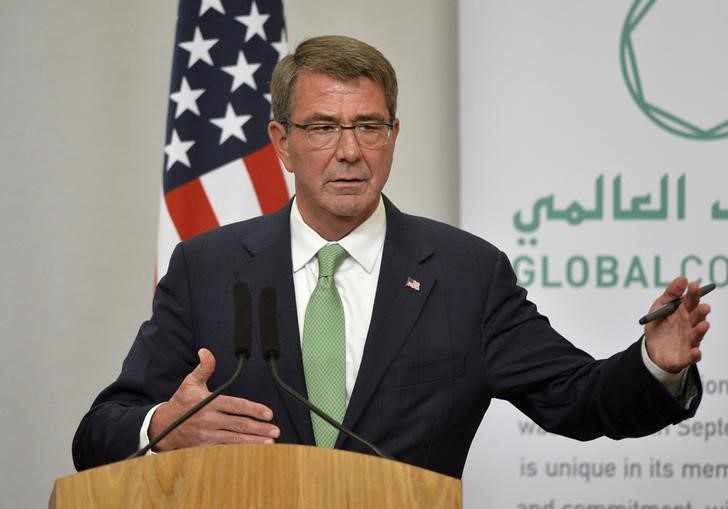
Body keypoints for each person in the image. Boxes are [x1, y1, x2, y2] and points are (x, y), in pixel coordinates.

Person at [72, 35, 710, 479]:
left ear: (393, 136)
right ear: (282, 143)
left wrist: (655, 364)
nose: (349, 151)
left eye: (369, 126)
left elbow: (582, 399)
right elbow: (99, 430)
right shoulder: (207, 267)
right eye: (323, 127)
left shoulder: (466, 275)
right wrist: (163, 427)